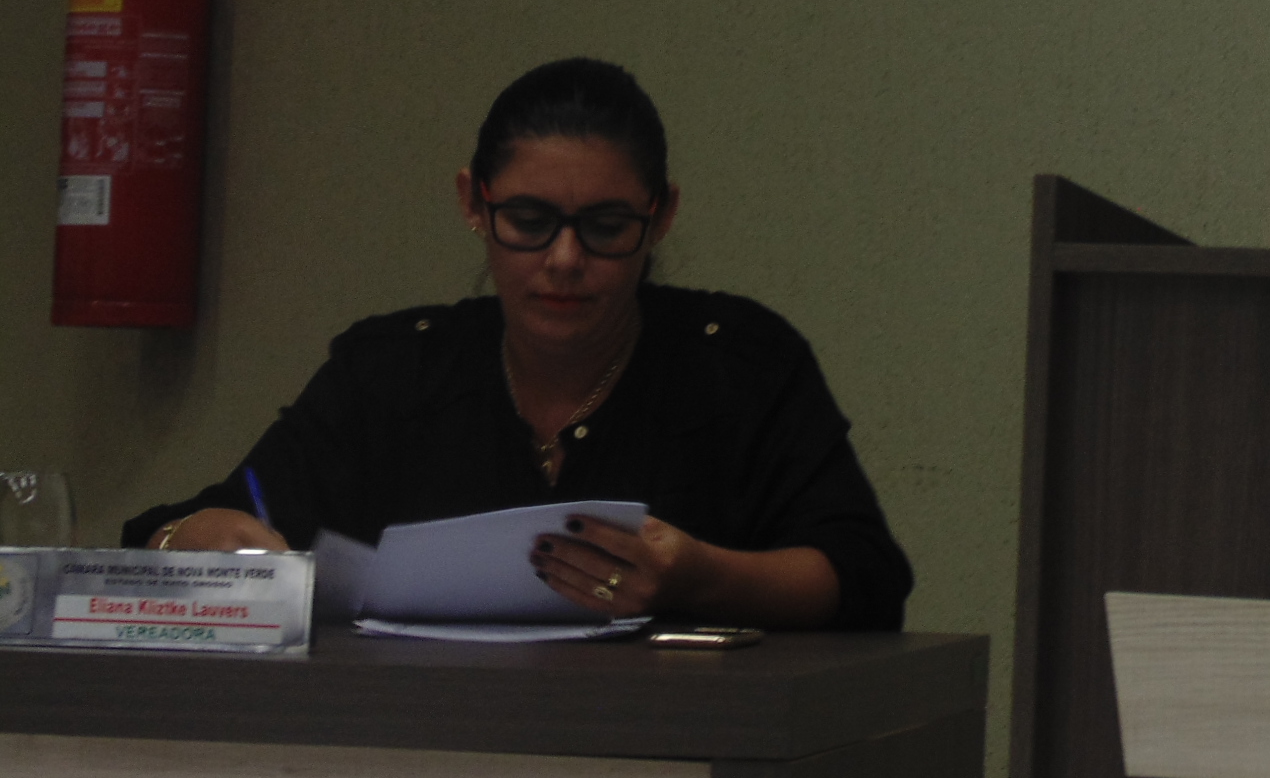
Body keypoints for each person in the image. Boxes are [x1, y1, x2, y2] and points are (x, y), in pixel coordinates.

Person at [123, 57, 913, 629]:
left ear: (661, 216)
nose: (564, 260)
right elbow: (207, 519)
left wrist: (702, 579)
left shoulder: (735, 363)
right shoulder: (395, 370)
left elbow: (864, 575)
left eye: (606, 228)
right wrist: (187, 537)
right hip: (419, 748)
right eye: (529, 222)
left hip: (675, 753)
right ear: (474, 203)